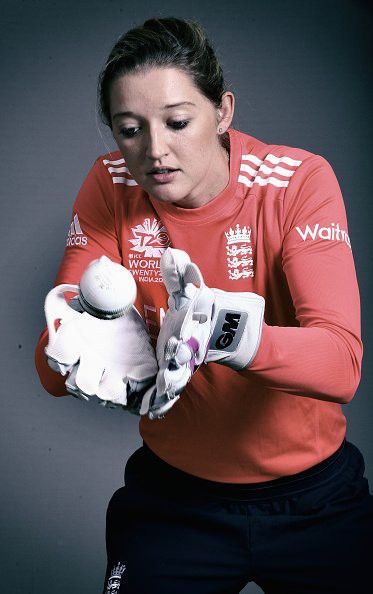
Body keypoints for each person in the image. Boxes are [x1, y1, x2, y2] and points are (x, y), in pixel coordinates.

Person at [35, 17, 372, 594]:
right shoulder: (110, 182)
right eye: (129, 129)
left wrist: (222, 331)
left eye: (178, 122)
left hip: (313, 501)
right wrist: (86, 335)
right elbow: (49, 367)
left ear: (224, 111)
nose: (154, 151)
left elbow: (341, 364)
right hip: (174, 501)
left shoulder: (296, 181)